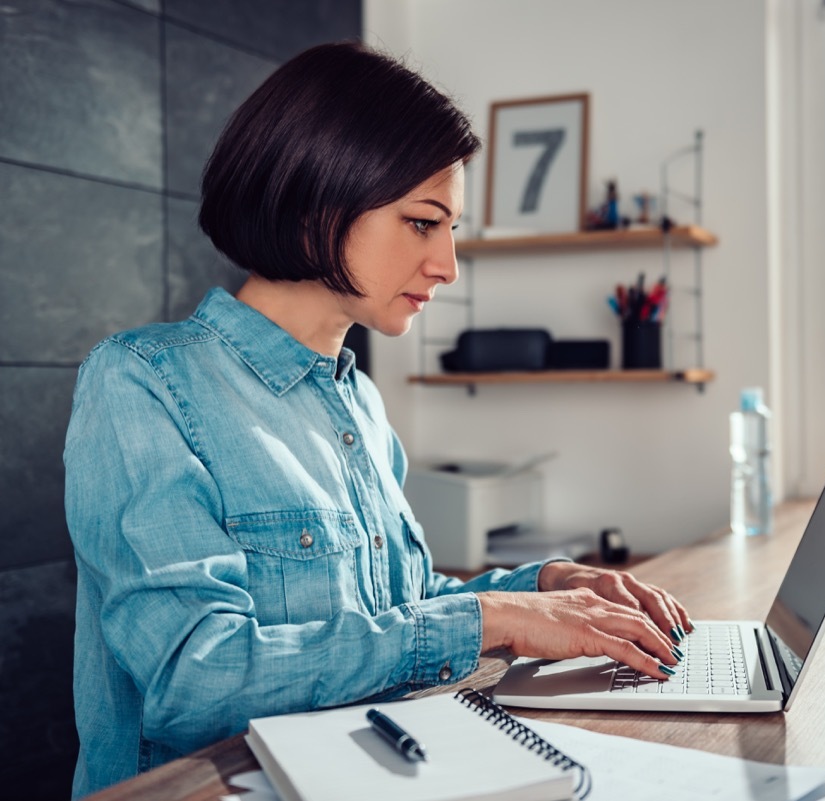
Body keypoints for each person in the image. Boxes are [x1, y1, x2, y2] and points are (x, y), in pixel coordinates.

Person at [64, 41, 690, 799]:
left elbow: (396, 605)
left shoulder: (355, 398)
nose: (448, 265)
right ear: (317, 199)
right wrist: (492, 615)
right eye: (424, 223)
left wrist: (548, 585)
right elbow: (195, 678)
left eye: (451, 228)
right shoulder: (141, 384)